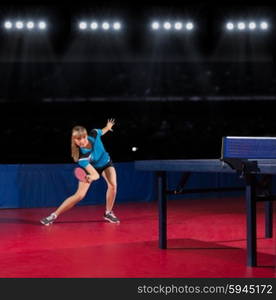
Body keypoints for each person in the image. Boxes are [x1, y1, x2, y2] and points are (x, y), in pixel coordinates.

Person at [40, 118, 120, 225]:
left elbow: (102, 131)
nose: (81, 141)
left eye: (83, 137)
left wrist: (108, 127)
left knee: (113, 185)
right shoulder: (82, 158)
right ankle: (53, 215)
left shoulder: (94, 133)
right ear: (74, 140)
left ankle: (108, 213)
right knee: (79, 195)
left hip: (106, 163)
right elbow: (96, 175)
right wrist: (91, 177)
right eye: (78, 139)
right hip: (90, 169)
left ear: (87, 135)